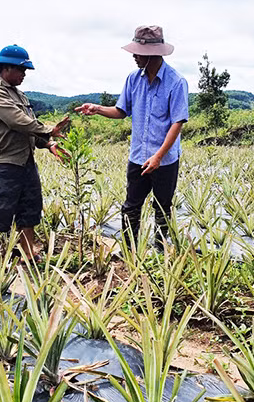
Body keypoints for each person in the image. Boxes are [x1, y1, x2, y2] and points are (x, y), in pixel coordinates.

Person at [75, 25, 189, 248]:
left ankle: (161, 250)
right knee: (131, 206)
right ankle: (129, 250)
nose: (134, 57)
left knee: (162, 206)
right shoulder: (133, 79)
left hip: (164, 160)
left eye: (138, 53)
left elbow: (177, 123)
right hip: (138, 156)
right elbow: (121, 111)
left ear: (153, 53)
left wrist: (158, 156)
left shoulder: (176, 82)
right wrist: (97, 108)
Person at [0, 44, 69, 260]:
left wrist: (48, 144)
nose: (24, 75)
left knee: (30, 208)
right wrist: (49, 130)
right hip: (5, 162)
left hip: (26, 161)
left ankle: (27, 251)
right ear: (6, 68)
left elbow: (28, 130)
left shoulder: (20, 96)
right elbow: (17, 121)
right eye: (21, 70)